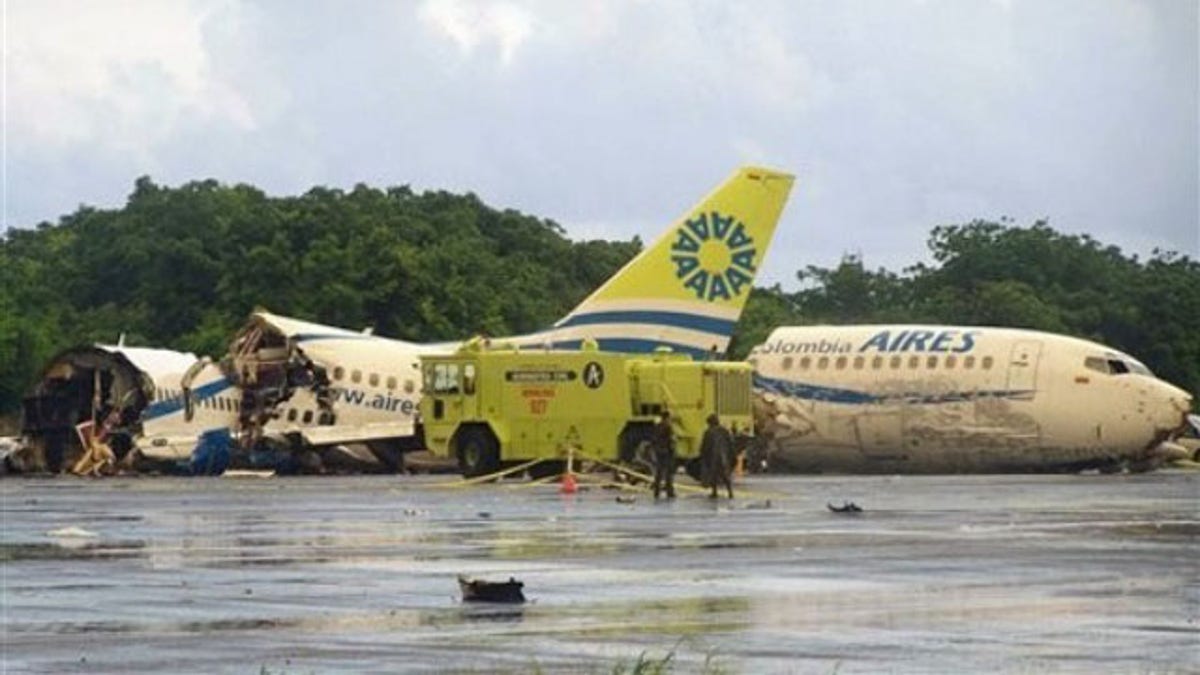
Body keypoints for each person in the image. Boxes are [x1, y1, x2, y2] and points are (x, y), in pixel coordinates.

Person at [699, 413, 735, 499]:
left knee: (713, 475)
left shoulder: (708, 432)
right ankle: (730, 492)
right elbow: (731, 443)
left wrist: (703, 454)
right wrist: (731, 455)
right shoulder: (724, 431)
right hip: (723, 456)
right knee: (725, 475)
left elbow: (705, 446)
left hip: (713, 457)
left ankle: (714, 492)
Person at [650, 410, 676, 500]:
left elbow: (653, 439)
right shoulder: (668, 427)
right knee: (669, 472)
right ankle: (670, 492)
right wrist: (672, 450)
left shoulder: (657, 426)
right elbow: (671, 440)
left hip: (659, 451)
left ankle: (656, 492)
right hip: (667, 452)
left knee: (659, 472)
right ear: (667, 417)